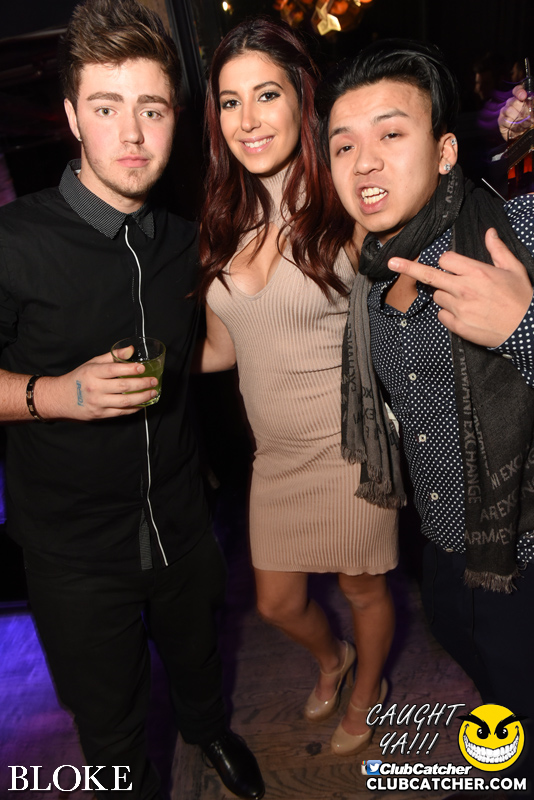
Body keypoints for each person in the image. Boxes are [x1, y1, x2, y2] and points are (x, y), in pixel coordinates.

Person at [0, 2, 265, 799]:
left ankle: (209, 732)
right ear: (73, 116)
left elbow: (207, 351)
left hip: (181, 522)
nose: (133, 135)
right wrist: (55, 393)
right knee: (111, 726)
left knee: (200, 660)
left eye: (151, 109)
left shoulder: (183, 239)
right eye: (107, 108)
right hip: (75, 552)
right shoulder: (16, 244)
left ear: (175, 118)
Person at [316, 39, 534, 787]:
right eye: (344, 145)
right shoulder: (373, 279)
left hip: (521, 554)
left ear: (445, 152)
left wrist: (523, 328)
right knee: (492, 694)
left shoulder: (517, 233)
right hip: (442, 555)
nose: (364, 162)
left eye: (391, 133)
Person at [195, 18, 402, 758]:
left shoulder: (345, 206)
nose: (248, 119)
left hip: (349, 448)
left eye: (266, 94)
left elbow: (406, 310)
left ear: (301, 98)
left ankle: (369, 686)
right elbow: (222, 348)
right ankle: (333, 658)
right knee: (277, 603)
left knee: (363, 589)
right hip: (276, 459)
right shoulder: (222, 219)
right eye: (230, 101)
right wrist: (141, 360)